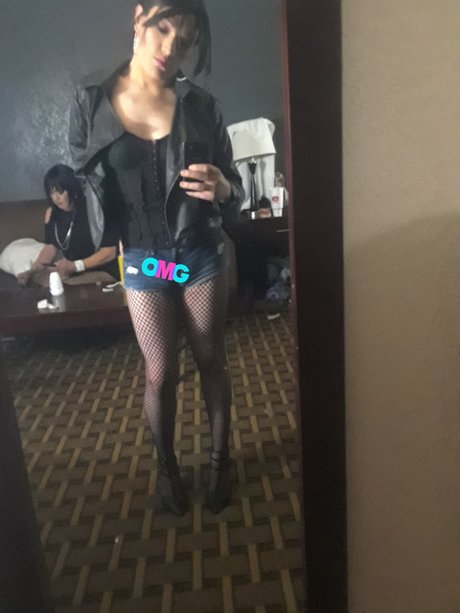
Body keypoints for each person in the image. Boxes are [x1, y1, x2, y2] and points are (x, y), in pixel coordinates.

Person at [68, 0, 244, 515]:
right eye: (162, 28)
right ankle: (166, 466)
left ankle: (220, 461)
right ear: (139, 17)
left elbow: (236, 188)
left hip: (199, 253)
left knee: (210, 357)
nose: (170, 47)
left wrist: (223, 188)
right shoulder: (91, 102)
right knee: (159, 372)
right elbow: (83, 178)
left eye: (183, 41)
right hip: (147, 259)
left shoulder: (202, 107)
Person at [17, 164, 120, 286]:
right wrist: (31, 271)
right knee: (42, 283)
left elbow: (109, 252)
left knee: (64, 285)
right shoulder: (51, 213)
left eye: (60, 191)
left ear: (71, 189)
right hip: (74, 271)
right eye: (52, 192)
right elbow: (49, 248)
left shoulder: (94, 210)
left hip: (104, 270)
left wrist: (76, 266)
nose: (56, 198)